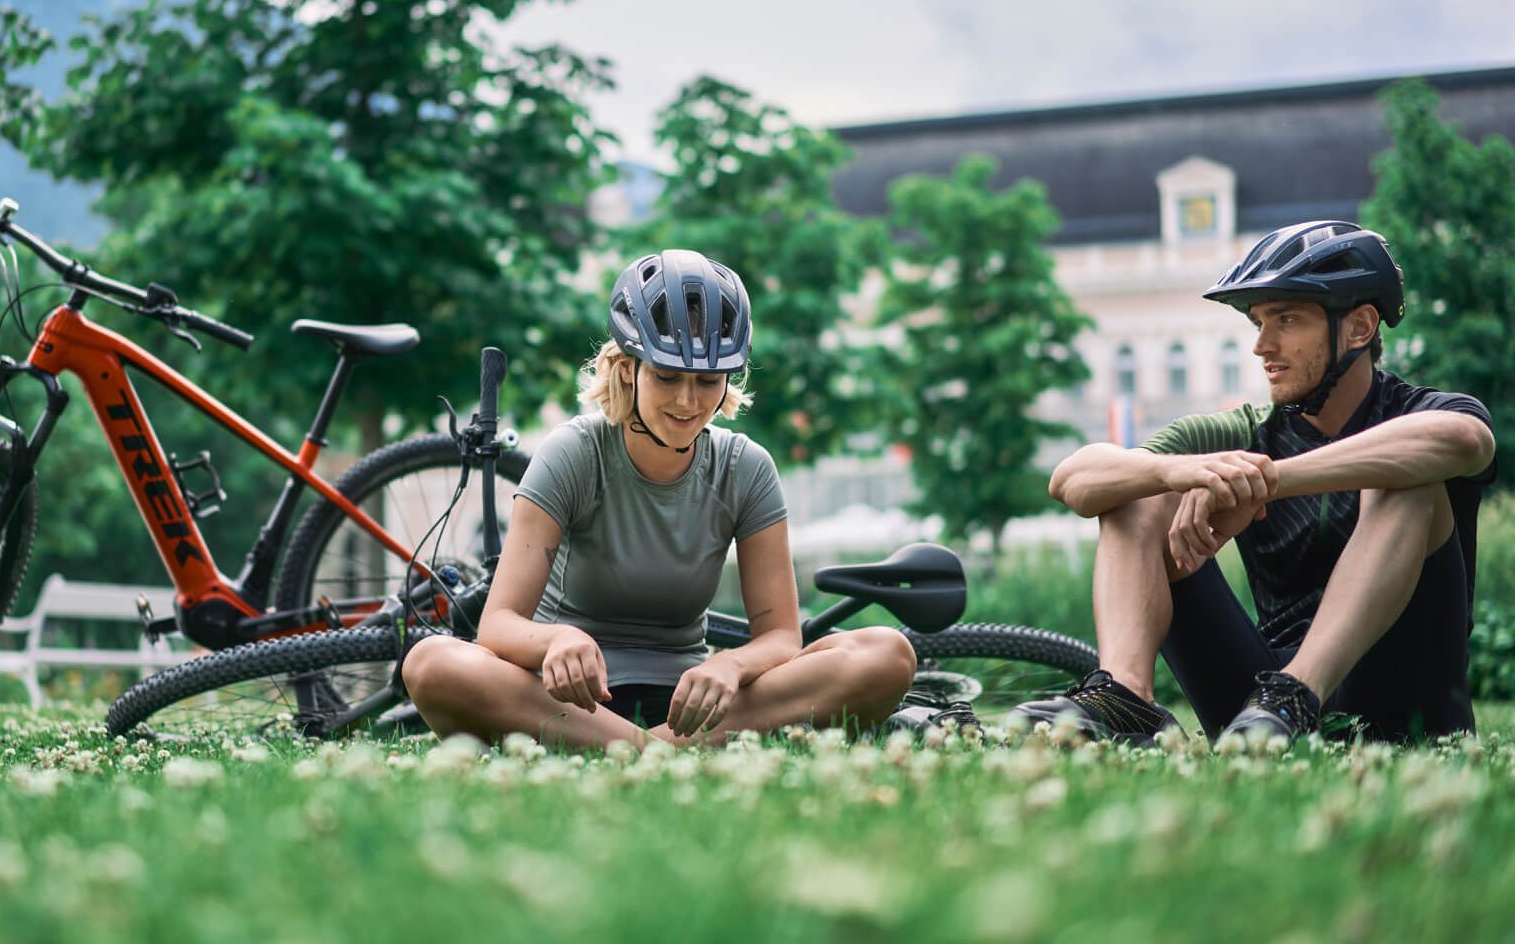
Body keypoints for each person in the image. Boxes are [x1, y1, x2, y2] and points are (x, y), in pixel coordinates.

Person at [403, 249, 917, 749]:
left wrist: (730, 664)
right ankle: (656, 754)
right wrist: (555, 641)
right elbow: (498, 626)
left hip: (691, 705)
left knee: (887, 654)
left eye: (708, 381)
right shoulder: (573, 452)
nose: (688, 401)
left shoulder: (747, 467)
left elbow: (782, 637)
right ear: (628, 368)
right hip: (566, 703)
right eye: (667, 376)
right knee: (431, 663)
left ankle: (633, 751)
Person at [1012, 221, 1496, 746]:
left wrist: (1261, 484)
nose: (1262, 346)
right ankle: (1126, 699)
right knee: (1136, 487)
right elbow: (1072, 479)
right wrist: (1172, 472)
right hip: (1258, 715)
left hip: (1403, 705)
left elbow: (1464, 441)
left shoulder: (1421, 411)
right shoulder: (1243, 432)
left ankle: (1298, 693)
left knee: (1406, 478)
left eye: (1286, 319)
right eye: (1258, 323)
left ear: (1358, 329)